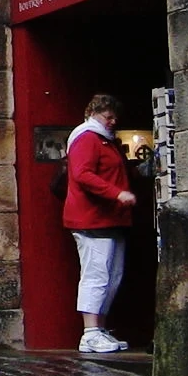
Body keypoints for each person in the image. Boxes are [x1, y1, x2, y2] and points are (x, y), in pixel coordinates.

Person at [65, 92, 137, 354]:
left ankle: (100, 329)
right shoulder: (87, 139)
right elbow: (82, 174)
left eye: (114, 116)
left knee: (112, 275)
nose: (112, 120)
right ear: (93, 113)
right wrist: (116, 193)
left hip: (110, 218)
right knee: (96, 274)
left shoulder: (106, 141)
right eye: (108, 116)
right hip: (92, 218)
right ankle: (90, 332)